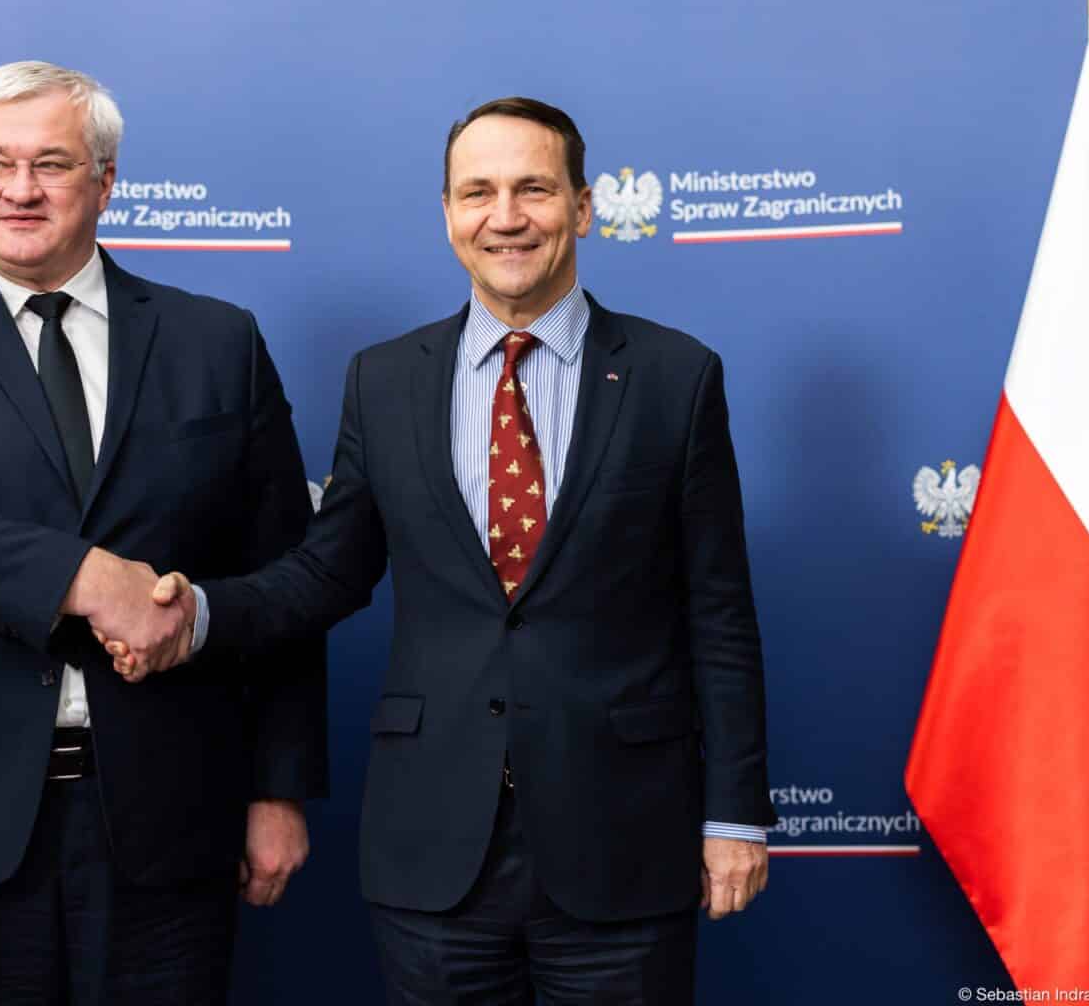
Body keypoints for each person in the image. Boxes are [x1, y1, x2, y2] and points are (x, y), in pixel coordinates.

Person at [107, 96, 774, 1004]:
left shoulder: (675, 375)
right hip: (433, 849)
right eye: (478, 192)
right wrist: (201, 613)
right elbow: (327, 571)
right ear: (449, 214)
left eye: (534, 189)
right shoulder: (384, 380)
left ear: (583, 207)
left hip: (622, 838)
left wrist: (734, 816)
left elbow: (719, 612)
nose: (506, 216)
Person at [0, 60, 325, 1005]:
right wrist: (87, 579)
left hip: (168, 822)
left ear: (105, 179)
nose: (20, 189)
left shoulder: (218, 341)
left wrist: (278, 787)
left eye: (50, 163)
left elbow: (288, 577)